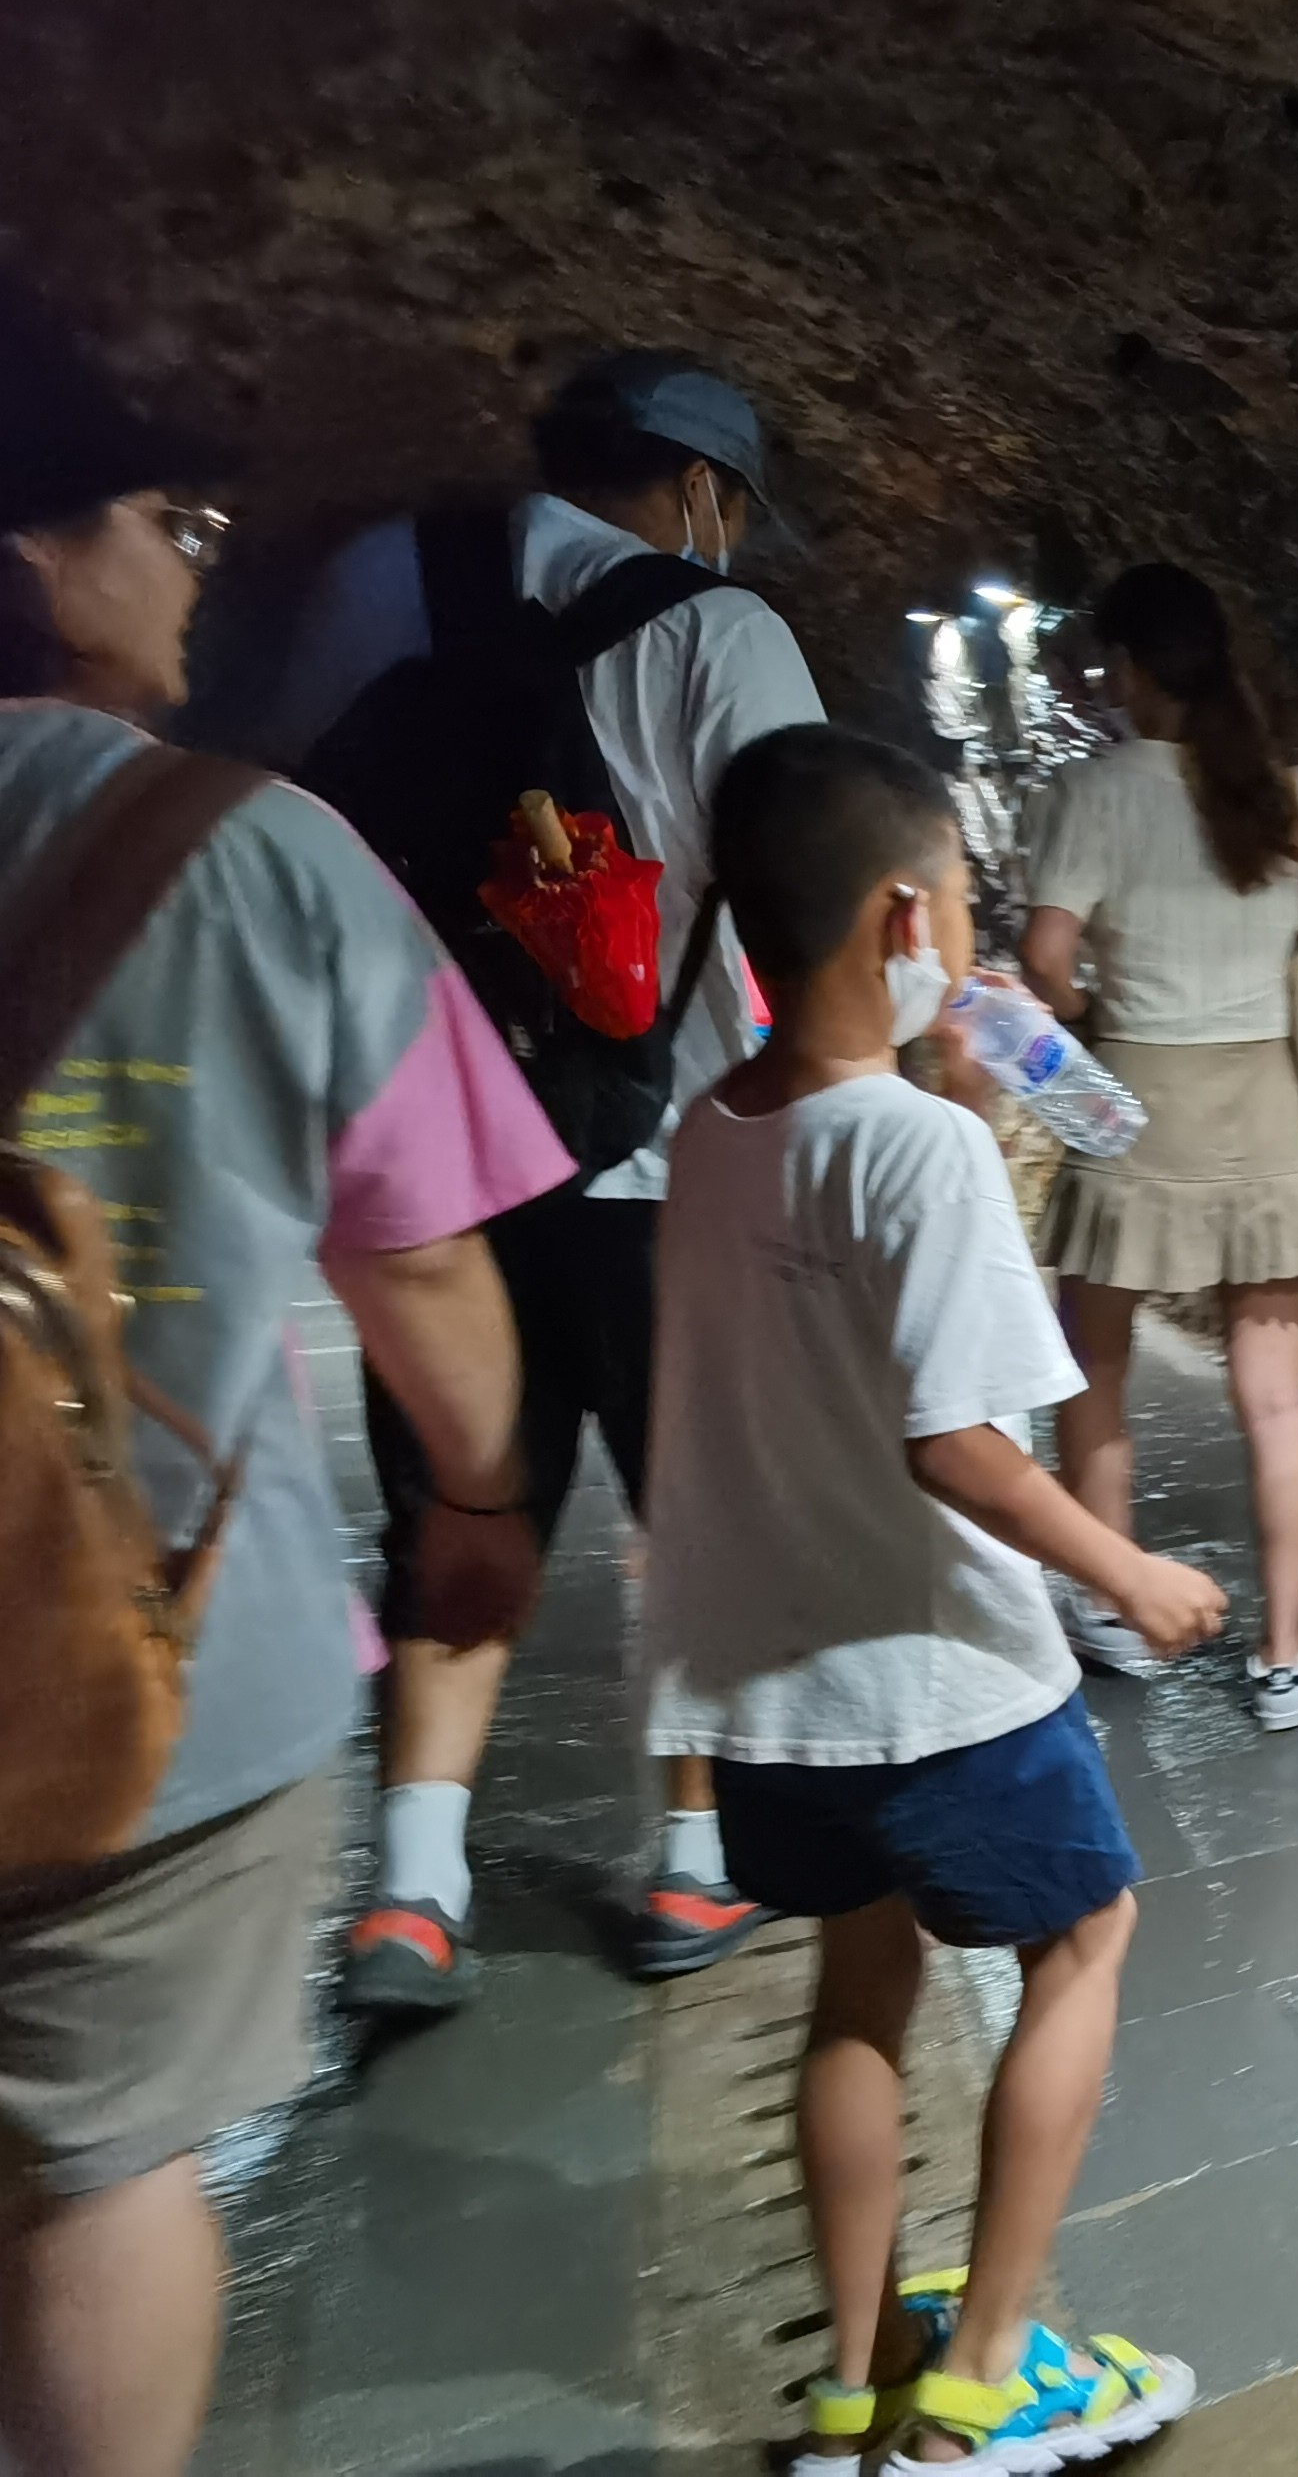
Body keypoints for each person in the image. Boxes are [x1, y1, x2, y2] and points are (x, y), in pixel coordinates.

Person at [0, 274, 563, 2477]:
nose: (191, 560)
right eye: (159, 514)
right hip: (138, 1657)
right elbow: (417, 1265)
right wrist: (487, 1501)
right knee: (112, 2157)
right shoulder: (252, 852)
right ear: (37, 558)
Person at [644, 723, 1216, 2474]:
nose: (971, 935)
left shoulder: (713, 1124)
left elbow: (833, 1305)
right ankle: (984, 2381)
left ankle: (850, 2388)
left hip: (765, 1685)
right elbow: (955, 1440)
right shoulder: (926, 1151)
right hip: (943, 1675)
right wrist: (1130, 1568)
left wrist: (962, 1100)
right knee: (1088, 1937)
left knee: (856, 1987)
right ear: (906, 915)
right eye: (964, 900)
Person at [273, 349, 829, 2004]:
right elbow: (801, 880)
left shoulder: (377, 586)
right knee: (695, 1526)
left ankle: (412, 1893)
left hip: (436, 1164)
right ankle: (695, 1866)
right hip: (666, 1158)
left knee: (463, 1503)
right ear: (704, 490)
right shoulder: (720, 627)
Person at [1018, 564, 1298, 1732]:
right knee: (1277, 1397)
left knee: (1097, 1366)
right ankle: (1281, 1657)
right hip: (1265, 1097)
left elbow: (1046, 965)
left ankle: (1115, 1604)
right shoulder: (1294, 795)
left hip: (1135, 1098)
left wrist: (1081, 1005)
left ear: (1127, 670)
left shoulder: (1096, 792)